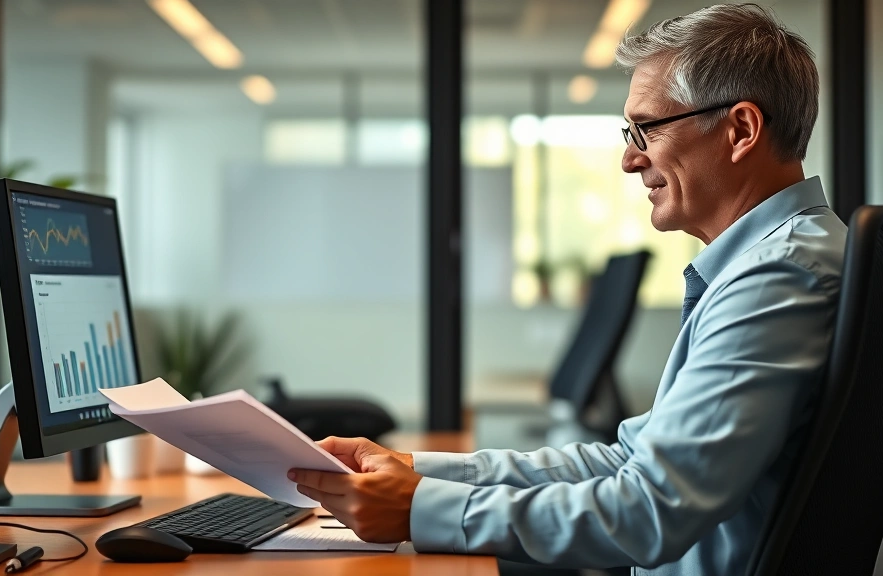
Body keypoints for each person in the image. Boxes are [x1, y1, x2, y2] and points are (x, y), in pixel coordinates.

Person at [288, 4, 847, 575]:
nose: (631, 160)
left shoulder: (778, 278)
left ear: (741, 130)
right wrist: (416, 470)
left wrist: (417, 507)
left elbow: (650, 510)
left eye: (646, 129)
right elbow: (631, 460)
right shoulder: (773, 264)